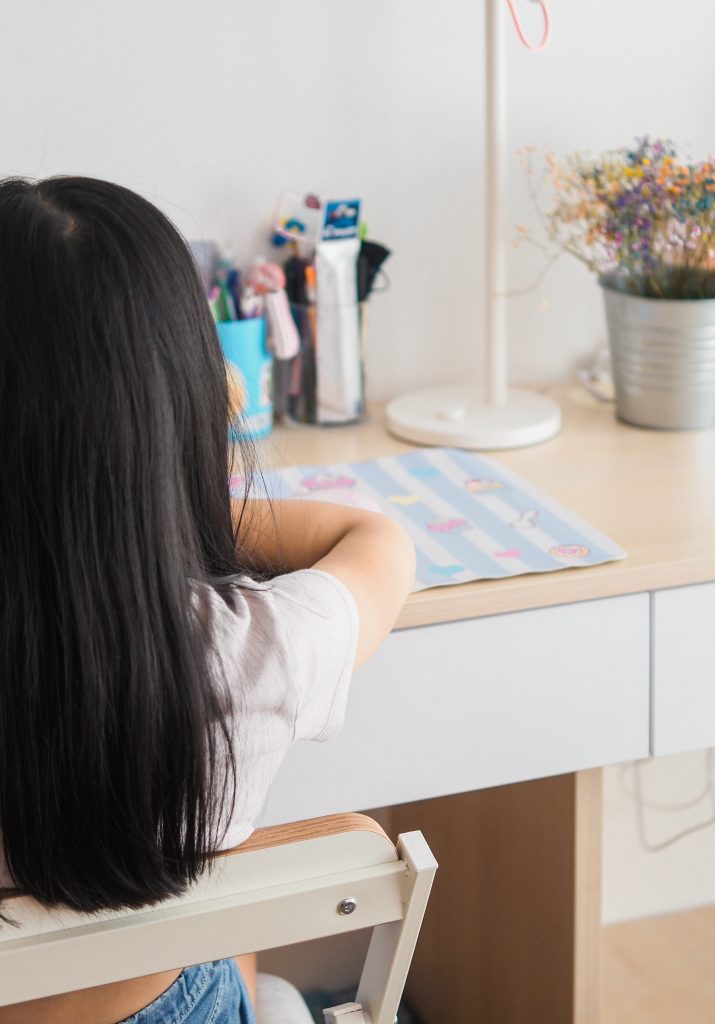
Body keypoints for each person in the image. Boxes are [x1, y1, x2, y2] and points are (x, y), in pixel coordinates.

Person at [0, 177, 415, 1023]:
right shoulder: (251, 651)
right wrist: (153, 508)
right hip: (172, 1005)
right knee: (277, 993)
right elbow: (379, 541)